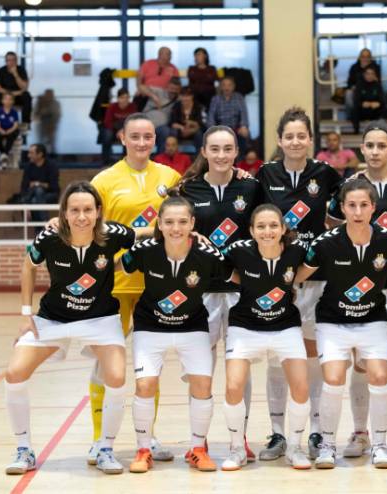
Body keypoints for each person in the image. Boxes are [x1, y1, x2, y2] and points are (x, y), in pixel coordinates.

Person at [4, 181, 137, 475]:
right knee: (14, 373)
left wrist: (179, 231)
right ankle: (24, 450)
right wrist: (26, 314)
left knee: (117, 378)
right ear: (64, 212)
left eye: (88, 209)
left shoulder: (112, 234)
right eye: (74, 210)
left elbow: (143, 237)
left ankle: (105, 448)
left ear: (98, 211)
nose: (82, 217)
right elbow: (28, 266)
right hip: (53, 319)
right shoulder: (50, 237)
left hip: (100, 320)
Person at [86, 113, 182, 463]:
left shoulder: (170, 177)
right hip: (113, 285)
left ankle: (148, 437)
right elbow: (88, 225)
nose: (142, 142)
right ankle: (99, 439)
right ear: (123, 139)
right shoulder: (104, 181)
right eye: (135, 136)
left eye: (148, 136)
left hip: (156, 284)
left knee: (150, 365)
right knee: (105, 366)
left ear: (155, 139)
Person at [295, 179, 387, 469]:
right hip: (333, 322)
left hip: (372, 320)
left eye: (363, 205)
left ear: (373, 207)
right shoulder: (326, 243)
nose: (358, 212)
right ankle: (328, 445)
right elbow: (296, 275)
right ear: (342, 208)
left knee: (379, 377)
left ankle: (379, 445)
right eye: (352, 205)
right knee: (333, 379)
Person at [327, 121, 387, 460]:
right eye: (370, 145)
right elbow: (331, 223)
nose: (376, 151)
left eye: (382, 145)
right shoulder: (349, 186)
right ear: (362, 149)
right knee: (362, 362)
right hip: (360, 285)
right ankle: (360, 431)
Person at [256, 107, 343, 461]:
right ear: (279, 140)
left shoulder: (326, 174)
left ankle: (318, 432)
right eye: (289, 136)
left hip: (317, 277)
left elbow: (346, 210)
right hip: (277, 277)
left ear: (310, 140)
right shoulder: (265, 174)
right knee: (278, 358)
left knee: (312, 357)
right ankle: (278, 434)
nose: (295, 141)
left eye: (301, 136)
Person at [171, 125, 262, 461]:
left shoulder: (251, 187)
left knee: (240, 367)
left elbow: (266, 228)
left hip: (241, 289)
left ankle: (240, 438)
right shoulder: (188, 189)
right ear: (204, 152)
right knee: (201, 368)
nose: (221, 155)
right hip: (201, 291)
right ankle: (200, 441)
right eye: (215, 149)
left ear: (236, 151)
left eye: (228, 149)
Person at [121, 196, 224, 473]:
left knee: (202, 384)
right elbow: (120, 265)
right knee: (145, 385)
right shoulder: (145, 250)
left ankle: (198, 449)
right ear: (159, 224)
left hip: (192, 326)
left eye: (182, 222)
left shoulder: (207, 254)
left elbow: (230, 273)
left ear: (192, 223)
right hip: (150, 326)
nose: (175, 228)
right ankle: (143, 450)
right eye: (169, 222)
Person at [220, 205, 312, 470]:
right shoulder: (238, 251)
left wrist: (290, 283)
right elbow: (219, 265)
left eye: (273, 225)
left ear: (283, 229)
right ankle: (237, 448)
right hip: (245, 327)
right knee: (233, 387)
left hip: (285, 327)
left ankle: (294, 447)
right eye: (260, 226)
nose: (267, 231)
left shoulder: (297, 251)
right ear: (251, 231)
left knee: (301, 387)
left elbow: (310, 267)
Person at [207, 76, 250, 154]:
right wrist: (213, 130)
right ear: (221, 87)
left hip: (236, 129)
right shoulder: (215, 99)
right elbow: (211, 117)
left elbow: (244, 114)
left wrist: (244, 126)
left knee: (245, 133)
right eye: (224, 85)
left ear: (233, 87)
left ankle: (242, 158)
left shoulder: (239, 97)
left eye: (229, 85)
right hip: (220, 129)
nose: (227, 88)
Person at [20, 143, 60, 225]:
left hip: (50, 194)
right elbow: (24, 186)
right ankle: (45, 224)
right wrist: (42, 185)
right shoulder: (28, 167)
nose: (28, 156)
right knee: (36, 195)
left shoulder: (52, 166)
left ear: (40, 154)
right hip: (32, 195)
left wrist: (37, 184)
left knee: (38, 192)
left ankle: (39, 227)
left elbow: (53, 186)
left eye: (31, 153)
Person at [0, 51, 31, 124]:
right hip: (5, 95)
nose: (11, 62)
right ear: (6, 61)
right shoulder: (1, 70)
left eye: (13, 60)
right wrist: (10, 93)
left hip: (18, 96)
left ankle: (25, 123)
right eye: (9, 60)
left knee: (27, 96)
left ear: (16, 61)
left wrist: (15, 74)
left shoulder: (21, 70)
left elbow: (24, 87)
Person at [101, 88, 138, 164]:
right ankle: (106, 160)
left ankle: (128, 159)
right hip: (113, 129)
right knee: (107, 134)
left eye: (127, 97)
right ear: (118, 98)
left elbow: (135, 121)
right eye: (122, 97)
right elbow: (107, 122)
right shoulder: (112, 106)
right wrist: (117, 131)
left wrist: (123, 130)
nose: (125, 100)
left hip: (126, 129)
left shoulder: (132, 107)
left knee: (130, 135)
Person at [165, 86, 205, 152]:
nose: (185, 98)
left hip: (193, 130)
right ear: (180, 96)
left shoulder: (198, 106)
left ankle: (200, 155)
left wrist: (192, 126)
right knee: (173, 132)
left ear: (192, 96)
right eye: (183, 96)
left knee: (199, 133)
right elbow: (172, 123)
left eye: (187, 96)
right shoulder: (176, 106)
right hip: (179, 130)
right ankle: (173, 153)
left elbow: (201, 124)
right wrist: (182, 128)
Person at [345, 48, 381, 120]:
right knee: (348, 93)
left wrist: (374, 79)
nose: (365, 59)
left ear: (370, 58)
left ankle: (374, 116)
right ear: (360, 57)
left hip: (370, 90)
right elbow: (349, 83)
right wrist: (353, 87)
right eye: (363, 56)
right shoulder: (354, 67)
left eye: (367, 56)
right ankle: (352, 114)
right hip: (357, 90)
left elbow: (378, 83)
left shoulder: (375, 67)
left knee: (379, 94)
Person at [352, 66, 387, 133]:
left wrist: (379, 103)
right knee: (355, 109)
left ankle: (382, 131)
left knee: (384, 109)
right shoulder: (359, 85)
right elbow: (356, 100)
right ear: (364, 75)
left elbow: (382, 100)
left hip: (374, 110)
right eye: (368, 74)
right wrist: (362, 104)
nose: (370, 76)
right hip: (363, 110)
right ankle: (356, 131)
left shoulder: (378, 85)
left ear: (374, 75)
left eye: (372, 74)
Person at [33, 89, 61, 155]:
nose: (49, 96)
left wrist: (53, 125)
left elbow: (57, 115)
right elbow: (35, 115)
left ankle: (52, 154)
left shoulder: (55, 103)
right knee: (41, 141)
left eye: (51, 94)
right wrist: (42, 105)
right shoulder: (40, 103)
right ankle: (41, 154)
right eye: (47, 94)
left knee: (52, 141)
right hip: (41, 124)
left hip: (52, 124)